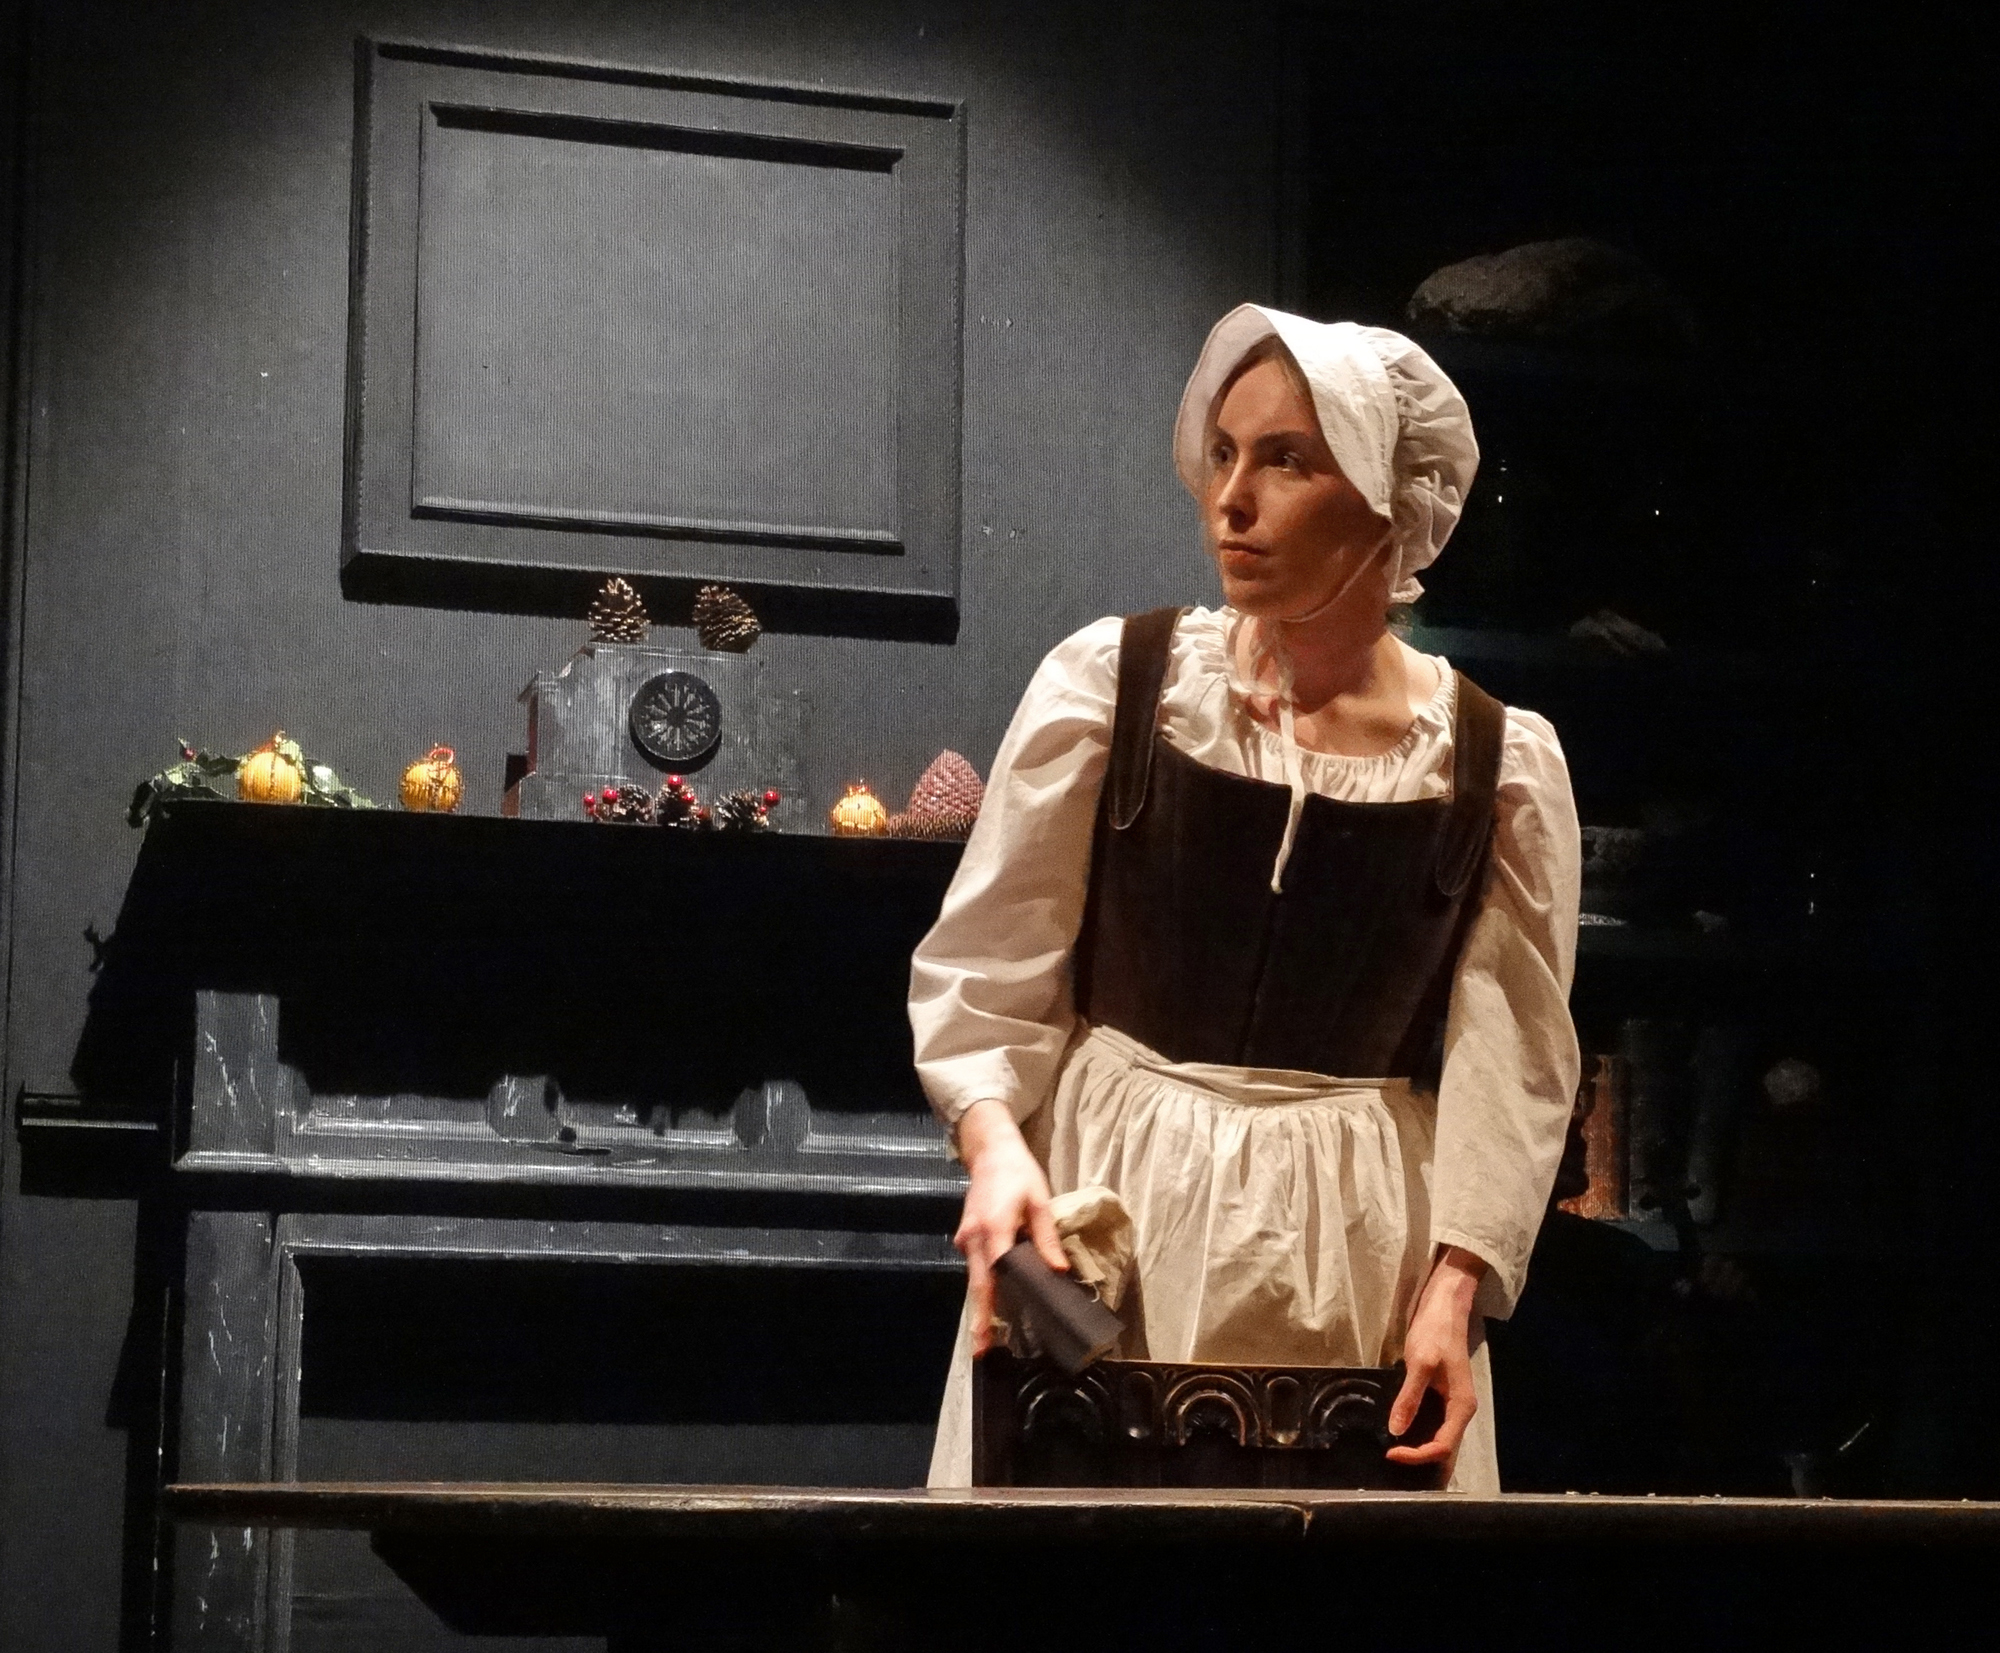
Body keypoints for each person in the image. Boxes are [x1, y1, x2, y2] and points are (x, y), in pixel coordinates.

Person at [909, 304, 1581, 1492]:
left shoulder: (1491, 758)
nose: (1230, 498)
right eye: (1222, 453)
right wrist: (995, 1148)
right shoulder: (1116, 684)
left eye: (1285, 460)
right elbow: (991, 960)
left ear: (1384, 499)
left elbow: (1512, 1057)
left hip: (1352, 1242)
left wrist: (1456, 1283)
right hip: (1114, 1201)